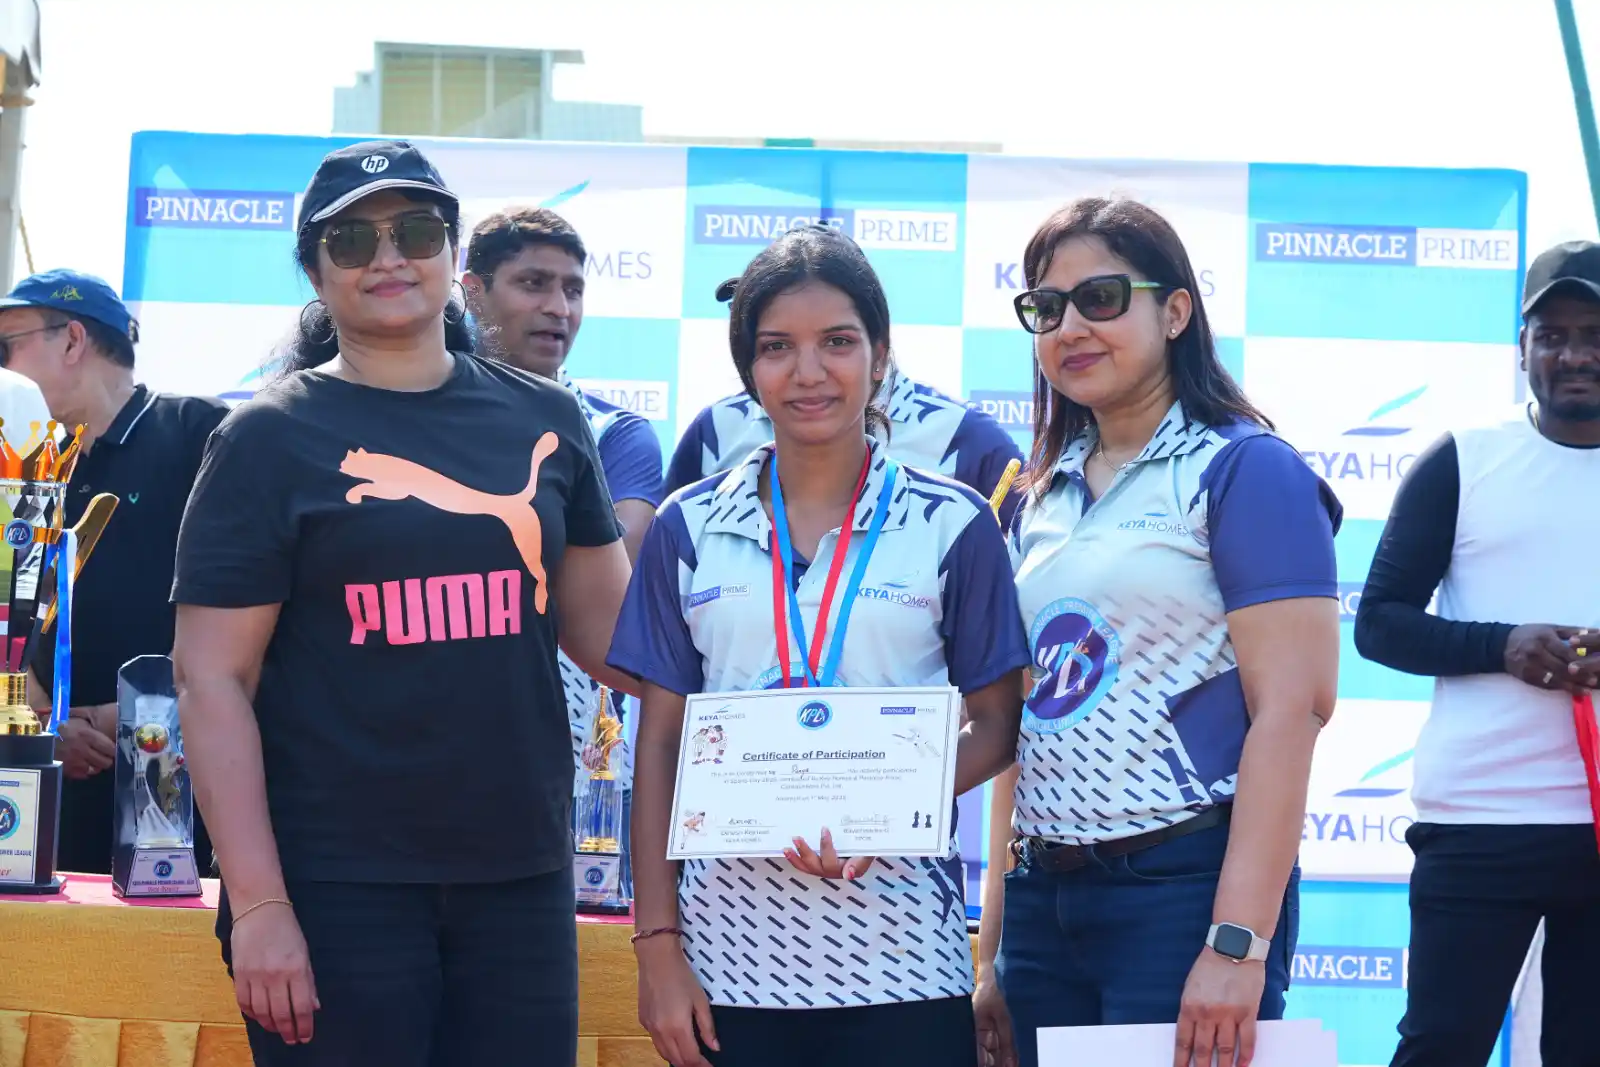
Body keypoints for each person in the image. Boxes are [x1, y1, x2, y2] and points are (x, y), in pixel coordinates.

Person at [169, 139, 636, 1067]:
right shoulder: (265, 438)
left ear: (452, 257)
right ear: (315, 271)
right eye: (353, 241)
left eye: (415, 231)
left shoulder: (545, 417)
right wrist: (259, 903)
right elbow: (211, 680)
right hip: (337, 885)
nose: (388, 257)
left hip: (521, 876)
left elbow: (619, 640)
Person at [606, 224, 1029, 1067]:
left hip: (907, 960)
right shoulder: (689, 522)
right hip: (729, 965)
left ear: (880, 353)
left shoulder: (952, 520)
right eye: (776, 347)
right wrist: (657, 944)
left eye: (837, 341)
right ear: (747, 368)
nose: (808, 372)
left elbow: (999, 722)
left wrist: (890, 799)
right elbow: (658, 741)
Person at [980, 197, 1340, 1067]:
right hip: (1043, 901)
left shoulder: (1245, 468)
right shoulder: (1035, 494)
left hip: (1182, 891)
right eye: (1047, 307)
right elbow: (1021, 722)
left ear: (1176, 311)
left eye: (1101, 298)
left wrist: (1236, 945)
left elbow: (1293, 709)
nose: (1071, 326)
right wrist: (992, 948)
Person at [1353, 240, 1600, 1067]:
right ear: (1522, 348)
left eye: (1595, 334)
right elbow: (1379, 623)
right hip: (1480, 818)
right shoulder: (1463, 459)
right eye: (1554, 335)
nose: (1575, 355)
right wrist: (1505, 645)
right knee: (1441, 1047)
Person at [462, 205, 664, 896]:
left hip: (584, 772)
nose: (558, 307)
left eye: (573, 289)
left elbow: (604, 589)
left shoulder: (615, 433)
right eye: (534, 284)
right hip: (427, 765)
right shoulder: (409, 422)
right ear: (472, 292)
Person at [0, 269, 226, 877]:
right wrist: (41, 719)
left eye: (5, 347)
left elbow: (250, 604)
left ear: (73, 340)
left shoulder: (203, 433)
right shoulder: (21, 465)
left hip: (179, 771)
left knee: (169, 928)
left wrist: (132, 709)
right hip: (44, 779)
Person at [665, 283, 1025, 525]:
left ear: (876, 342)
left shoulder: (962, 434)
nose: (808, 370)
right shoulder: (716, 427)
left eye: (834, 338)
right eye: (776, 339)